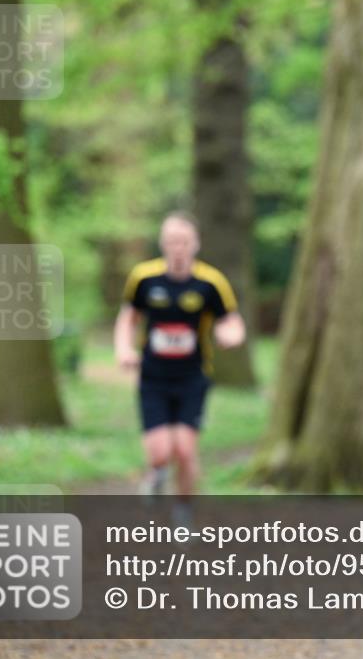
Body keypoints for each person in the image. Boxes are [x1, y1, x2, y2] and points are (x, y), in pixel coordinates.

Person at [114, 212, 246, 529]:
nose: (178, 248)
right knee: (160, 453)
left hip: (192, 377)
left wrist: (232, 335)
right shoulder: (144, 278)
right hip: (153, 377)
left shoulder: (210, 282)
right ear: (163, 243)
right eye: (172, 241)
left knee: (185, 451)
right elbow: (128, 318)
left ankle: (183, 510)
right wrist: (123, 349)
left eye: (184, 241)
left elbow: (231, 319)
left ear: (195, 244)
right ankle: (157, 474)